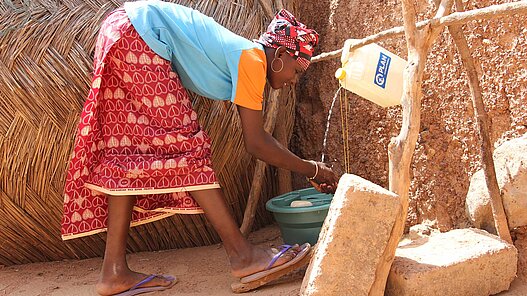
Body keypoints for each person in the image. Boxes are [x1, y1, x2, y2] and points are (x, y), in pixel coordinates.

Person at [61, 0, 339, 295]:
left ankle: (112, 273)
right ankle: (243, 255)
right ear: (281, 54)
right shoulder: (253, 60)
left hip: (120, 31)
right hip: (137, 35)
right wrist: (314, 169)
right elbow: (256, 143)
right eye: (295, 72)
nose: (293, 81)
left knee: (129, 154)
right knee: (188, 151)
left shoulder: (245, 57)